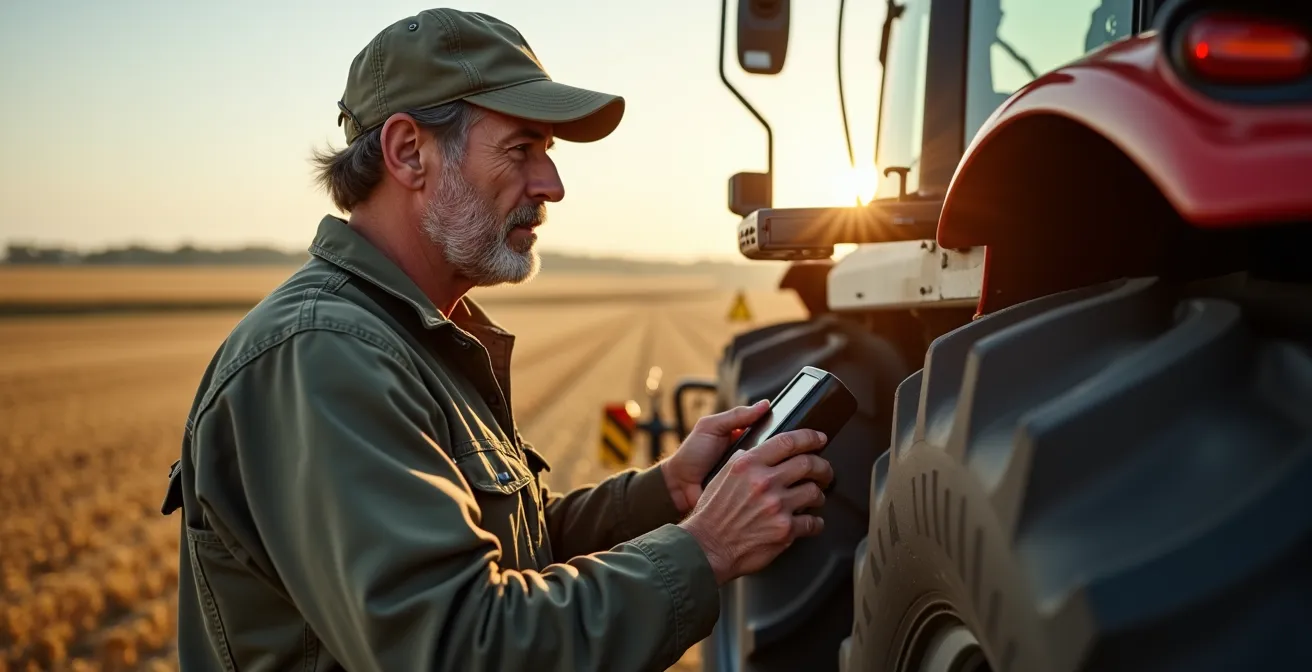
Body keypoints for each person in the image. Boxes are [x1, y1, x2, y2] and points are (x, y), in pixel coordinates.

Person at [159, 8, 833, 672]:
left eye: (548, 152)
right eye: (522, 148)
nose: (553, 185)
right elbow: (460, 646)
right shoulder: (324, 355)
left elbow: (508, 560)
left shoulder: (412, 336)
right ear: (407, 152)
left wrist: (667, 494)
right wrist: (704, 548)